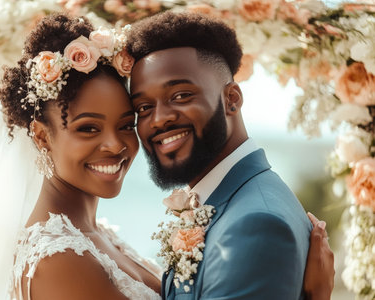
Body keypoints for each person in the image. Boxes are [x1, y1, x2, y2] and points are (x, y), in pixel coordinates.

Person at [0, 13, 332, 300]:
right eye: (88, 128)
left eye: (125, 123)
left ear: (232, 98)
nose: (116, 145)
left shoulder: (98, 236)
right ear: (42, 136)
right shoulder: (60, 259)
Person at [126, 11, 334, 300]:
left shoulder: (256, 225)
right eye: (144, 108)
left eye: (181, 96)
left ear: (231, 99)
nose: (159, 120)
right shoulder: (231, 199)